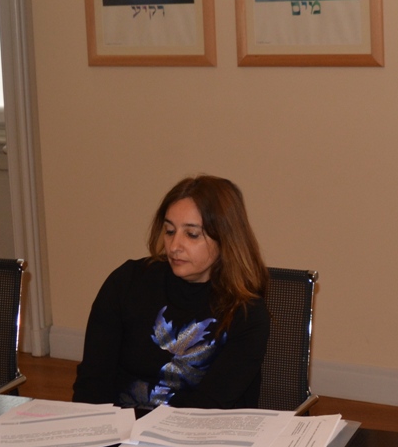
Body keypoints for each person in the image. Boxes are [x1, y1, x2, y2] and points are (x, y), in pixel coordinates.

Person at [73, 175, 270, 409]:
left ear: (225, 239)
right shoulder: (127, 283)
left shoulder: (247, 313)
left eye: (192, 234)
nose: (174, 246)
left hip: (198, 428)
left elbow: (210, 406)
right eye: (169, 231)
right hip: (118, 425)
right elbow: (92, 383)